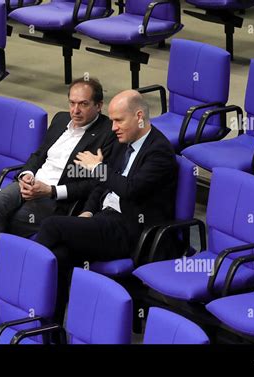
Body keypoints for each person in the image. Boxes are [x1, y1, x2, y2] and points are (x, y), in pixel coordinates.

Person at [36, 89, 178, 323]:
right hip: (104, 219)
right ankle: (51, 328)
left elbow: (129, 188)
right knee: (60, 254)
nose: (113, 127)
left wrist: (99, 169)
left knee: (52, 226)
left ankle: (28, 285)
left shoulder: (159, 152)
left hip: (132, 229)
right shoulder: (125, 141)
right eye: (111, 120)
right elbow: (101, 186)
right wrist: (88, 211)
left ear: (139, 116)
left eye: (118, 120)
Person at [0, 78, 115, 287]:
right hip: (31, 183)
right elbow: (39, 154)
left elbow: (94, 184)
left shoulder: (107, 134)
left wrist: (50, 191)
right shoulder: (60, 120)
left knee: (5, 222)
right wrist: (26, 175)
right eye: (72, 103)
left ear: (99, 105)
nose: (75, 110)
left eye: (83, 104)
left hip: (56, 198)